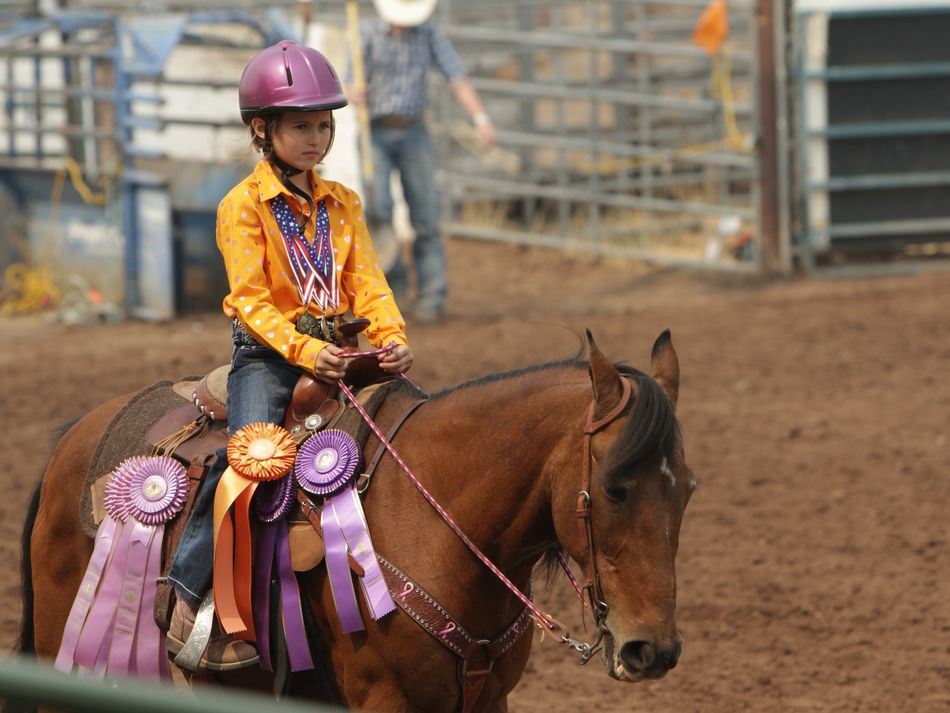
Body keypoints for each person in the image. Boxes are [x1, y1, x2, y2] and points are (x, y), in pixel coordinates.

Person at [164, 40, 413, 671]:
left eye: (324, 125)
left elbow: (369, 283)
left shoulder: (343, 203)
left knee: (411, 434)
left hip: (341, 348)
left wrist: (389, 336)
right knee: (250, 459)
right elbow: (250, 302)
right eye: (301, 125)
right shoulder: (242, 207)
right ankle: (188, 592)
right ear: (262, 130)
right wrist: (306, 350)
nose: (316, 138)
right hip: (270, 357)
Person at [347, 0, 496, 323]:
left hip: (414, 131)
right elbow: (349, 82)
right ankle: (392, 288)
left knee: (425, 214)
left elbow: (457, 76)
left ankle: (431, 295)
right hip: (374, 132)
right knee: (379, 210)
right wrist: (352, 92)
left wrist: (479, 117)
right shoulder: (366, 33)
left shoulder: (428, 35)